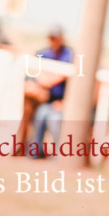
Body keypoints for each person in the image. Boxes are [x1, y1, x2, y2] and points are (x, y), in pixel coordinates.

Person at [19, 25, 74, 157]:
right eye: (51, 38)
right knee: (39, 115)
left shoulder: (68, 54)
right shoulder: (46, 53)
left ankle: (58, 156)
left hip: (61, 101)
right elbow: (33, 61)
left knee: (53, 119)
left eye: (55, 38)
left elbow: (58, 78)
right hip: (47, 100)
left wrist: (44, 78)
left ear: (61, 38)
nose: (53, 41)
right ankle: (34, 153)